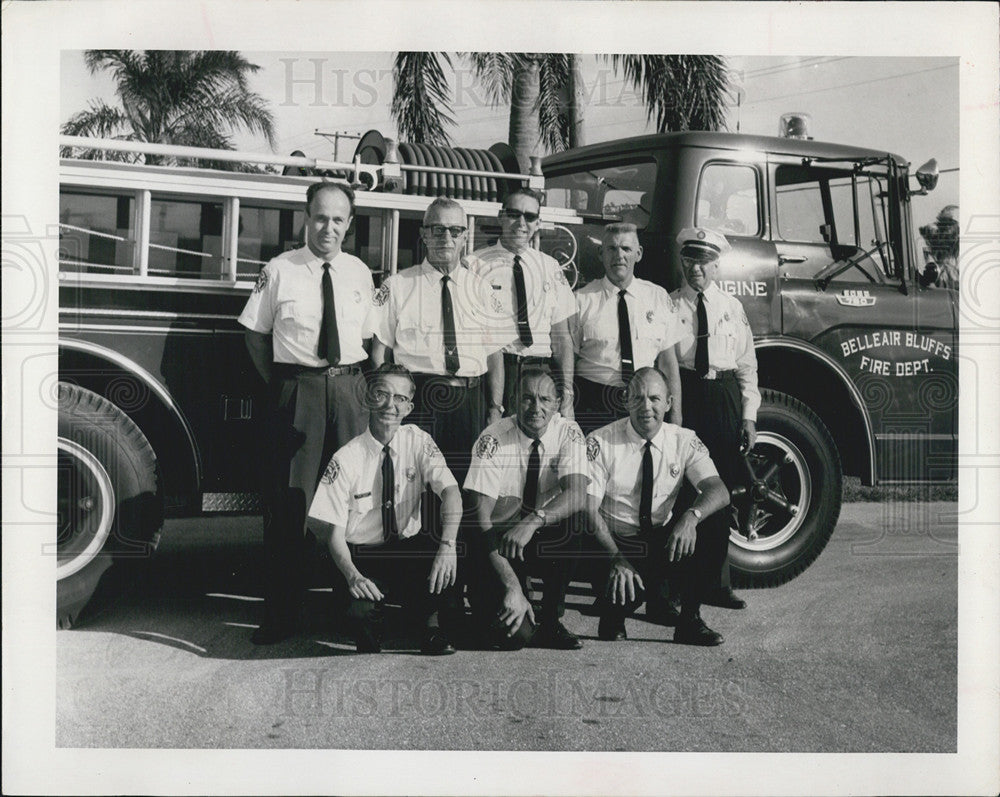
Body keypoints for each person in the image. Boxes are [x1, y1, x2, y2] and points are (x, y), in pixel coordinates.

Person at [239, 181, 373, 645]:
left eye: (339, 219)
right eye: (320, 217)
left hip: (352, 391)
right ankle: (281, 614)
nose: (328, 227)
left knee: (355, 502)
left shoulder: (360, 273)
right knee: (289, 504)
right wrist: (286, 385)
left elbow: (372, 341)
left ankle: (353, 611)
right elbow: (255, 336)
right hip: (299, 391)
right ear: (306, 217)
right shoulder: (279, 270)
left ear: (349, 224)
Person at [307, 364, 461, 655]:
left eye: (399, 398)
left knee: (447, 577)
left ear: (409, 407)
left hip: (407, 549)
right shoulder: (347, 458)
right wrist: (353, 576)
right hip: (363, 555)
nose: (390, 405)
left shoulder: (419, 441)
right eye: (382, 394)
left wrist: (448, 546)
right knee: (360, 620)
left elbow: (451, 493)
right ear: (368, 398)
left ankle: (430, 629)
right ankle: (373, 621)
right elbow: (335, 536)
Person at [369, 196, 514, 485]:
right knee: (411, 487)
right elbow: (378, 355)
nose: (446, 237)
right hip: (416, 402)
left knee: (463, 487)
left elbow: (495, 356)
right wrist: (389, 406)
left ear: (465, 237)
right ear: (424, 235)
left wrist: (495, 410)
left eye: (455, 230)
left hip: (469, 403)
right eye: (437, 229)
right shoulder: (397, 287)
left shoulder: (483, 289)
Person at [584, 367, 731, 646]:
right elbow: (588, 511)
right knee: (615, 612)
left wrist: (691, 517)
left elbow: (718, 489)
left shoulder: (684, 439)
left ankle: (689, 620)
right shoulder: (600, 441)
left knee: (715, 519)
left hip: (660, 542)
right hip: (615, 544)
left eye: (654, 398)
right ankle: (613, 615)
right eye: (637, 398)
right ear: (626, 400)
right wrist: (616, 559)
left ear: (669, 403)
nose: (646, 407)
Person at [464, 368, 590, 650]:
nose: (536, 408)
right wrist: (511, 585)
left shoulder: (568, 431)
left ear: (557, 404)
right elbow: (479, 519)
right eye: (528, 399)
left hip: (535, 533)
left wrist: (532, 522)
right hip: (496, 545)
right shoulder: (492, 438)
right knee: (515, 637)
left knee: (575, 520)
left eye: (545, 399)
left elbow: (578, 493)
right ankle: (485, 611)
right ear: (512, 400)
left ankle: (550, 620)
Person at [670, 226, 760, 613]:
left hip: (722, 397)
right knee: (682, 491)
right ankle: (675, 587)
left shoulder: (731, 308)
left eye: (704, 261)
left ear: (717, 265)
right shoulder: (670, 305)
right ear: (683, 262)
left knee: (719, 491)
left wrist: (749, 416)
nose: (696, 268)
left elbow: (746, 366)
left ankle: (716, 584)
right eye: (690, 259)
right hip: (686, 396)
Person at [465, 188, 576, 419]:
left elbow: (562, 338)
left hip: (543, 372)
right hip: (499, 373)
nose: (521, 223)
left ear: (538, 223)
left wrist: (566, 394)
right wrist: (494, 405)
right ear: (501, 217)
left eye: (530, 216)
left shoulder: (551, 267)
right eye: (514, 214)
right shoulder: (473, 265)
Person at [570, 222, 682, 434]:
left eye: (626, 249)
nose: (619, 255)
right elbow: (569, 362)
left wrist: (675, 416)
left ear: (638, 254)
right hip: (593, 401)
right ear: (600, 253)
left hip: (643, 402)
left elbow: (668, 363)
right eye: (612, 248)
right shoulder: (581, 300)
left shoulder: (658, 297)